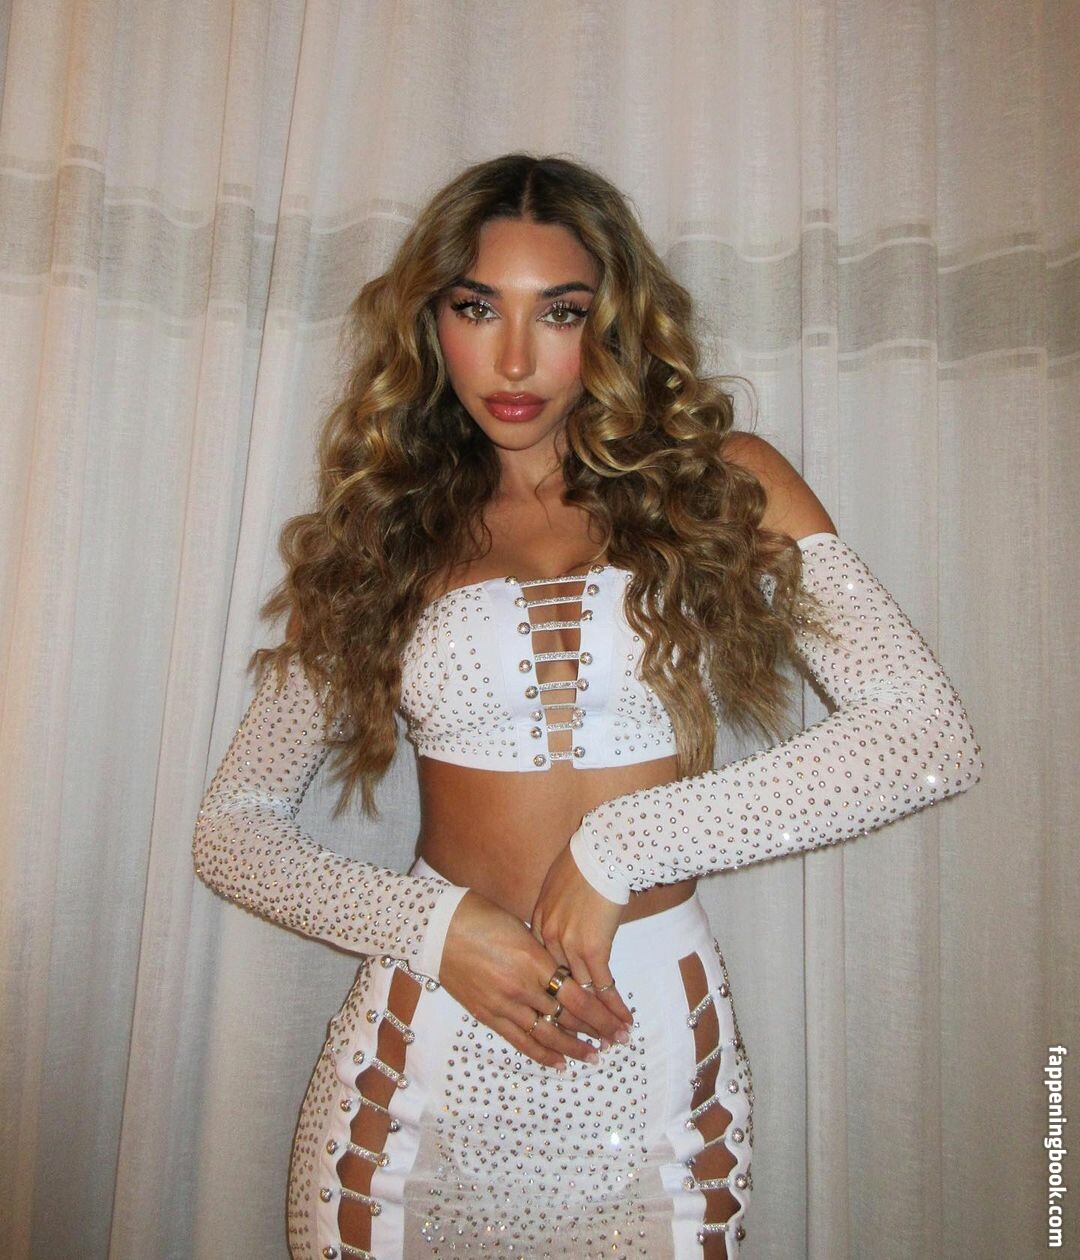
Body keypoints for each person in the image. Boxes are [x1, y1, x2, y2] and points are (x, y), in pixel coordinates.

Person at [192, 152, 983, 1260]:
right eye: (477, 308)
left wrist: (623, 846)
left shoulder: (724, 482)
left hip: (650, 1053)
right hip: (423, 1052)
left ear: (611, 324)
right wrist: (435, 928)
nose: (515, 358)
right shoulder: (386, 529)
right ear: (430, 322)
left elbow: (922, 735)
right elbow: (231, 830)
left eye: (558, 312)